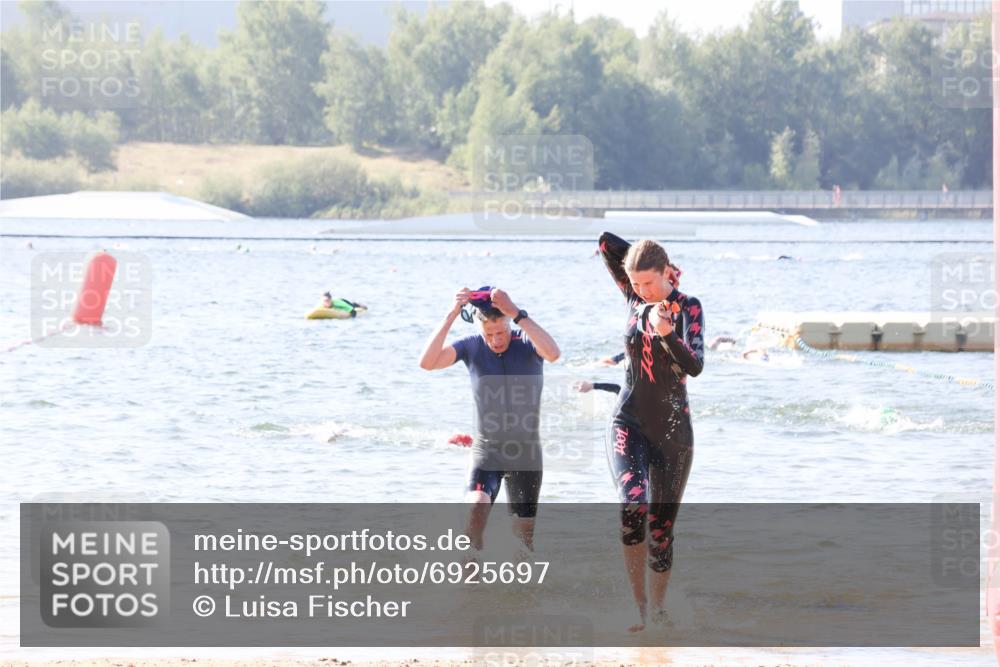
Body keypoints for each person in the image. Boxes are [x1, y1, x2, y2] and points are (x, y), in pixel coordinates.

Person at [597, 231, 705, 633]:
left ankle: (658, 609)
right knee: (632, 505)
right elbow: (607, 242)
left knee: (661, 532)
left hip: (674, 432)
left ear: (667, 274)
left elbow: (694, 365)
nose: (641, 291)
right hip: (629, 421)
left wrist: (666, 333)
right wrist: (639, 264)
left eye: (649, 282)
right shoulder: (632, 294)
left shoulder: (689, 307)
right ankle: (638, 608)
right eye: (635, 283)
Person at [418, 286, 560, 557]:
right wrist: (451, 315)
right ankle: (471, 593)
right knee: (476, 509)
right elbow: (427, 362)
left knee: (523, 542)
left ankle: (522, 597)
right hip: (487, 450)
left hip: (526, 454)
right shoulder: (471, 346)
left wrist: (517, 314)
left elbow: (553, 354)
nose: (496, 340)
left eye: (501, 332)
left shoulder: (528, 341)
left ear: (509, 323)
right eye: (489, 334)